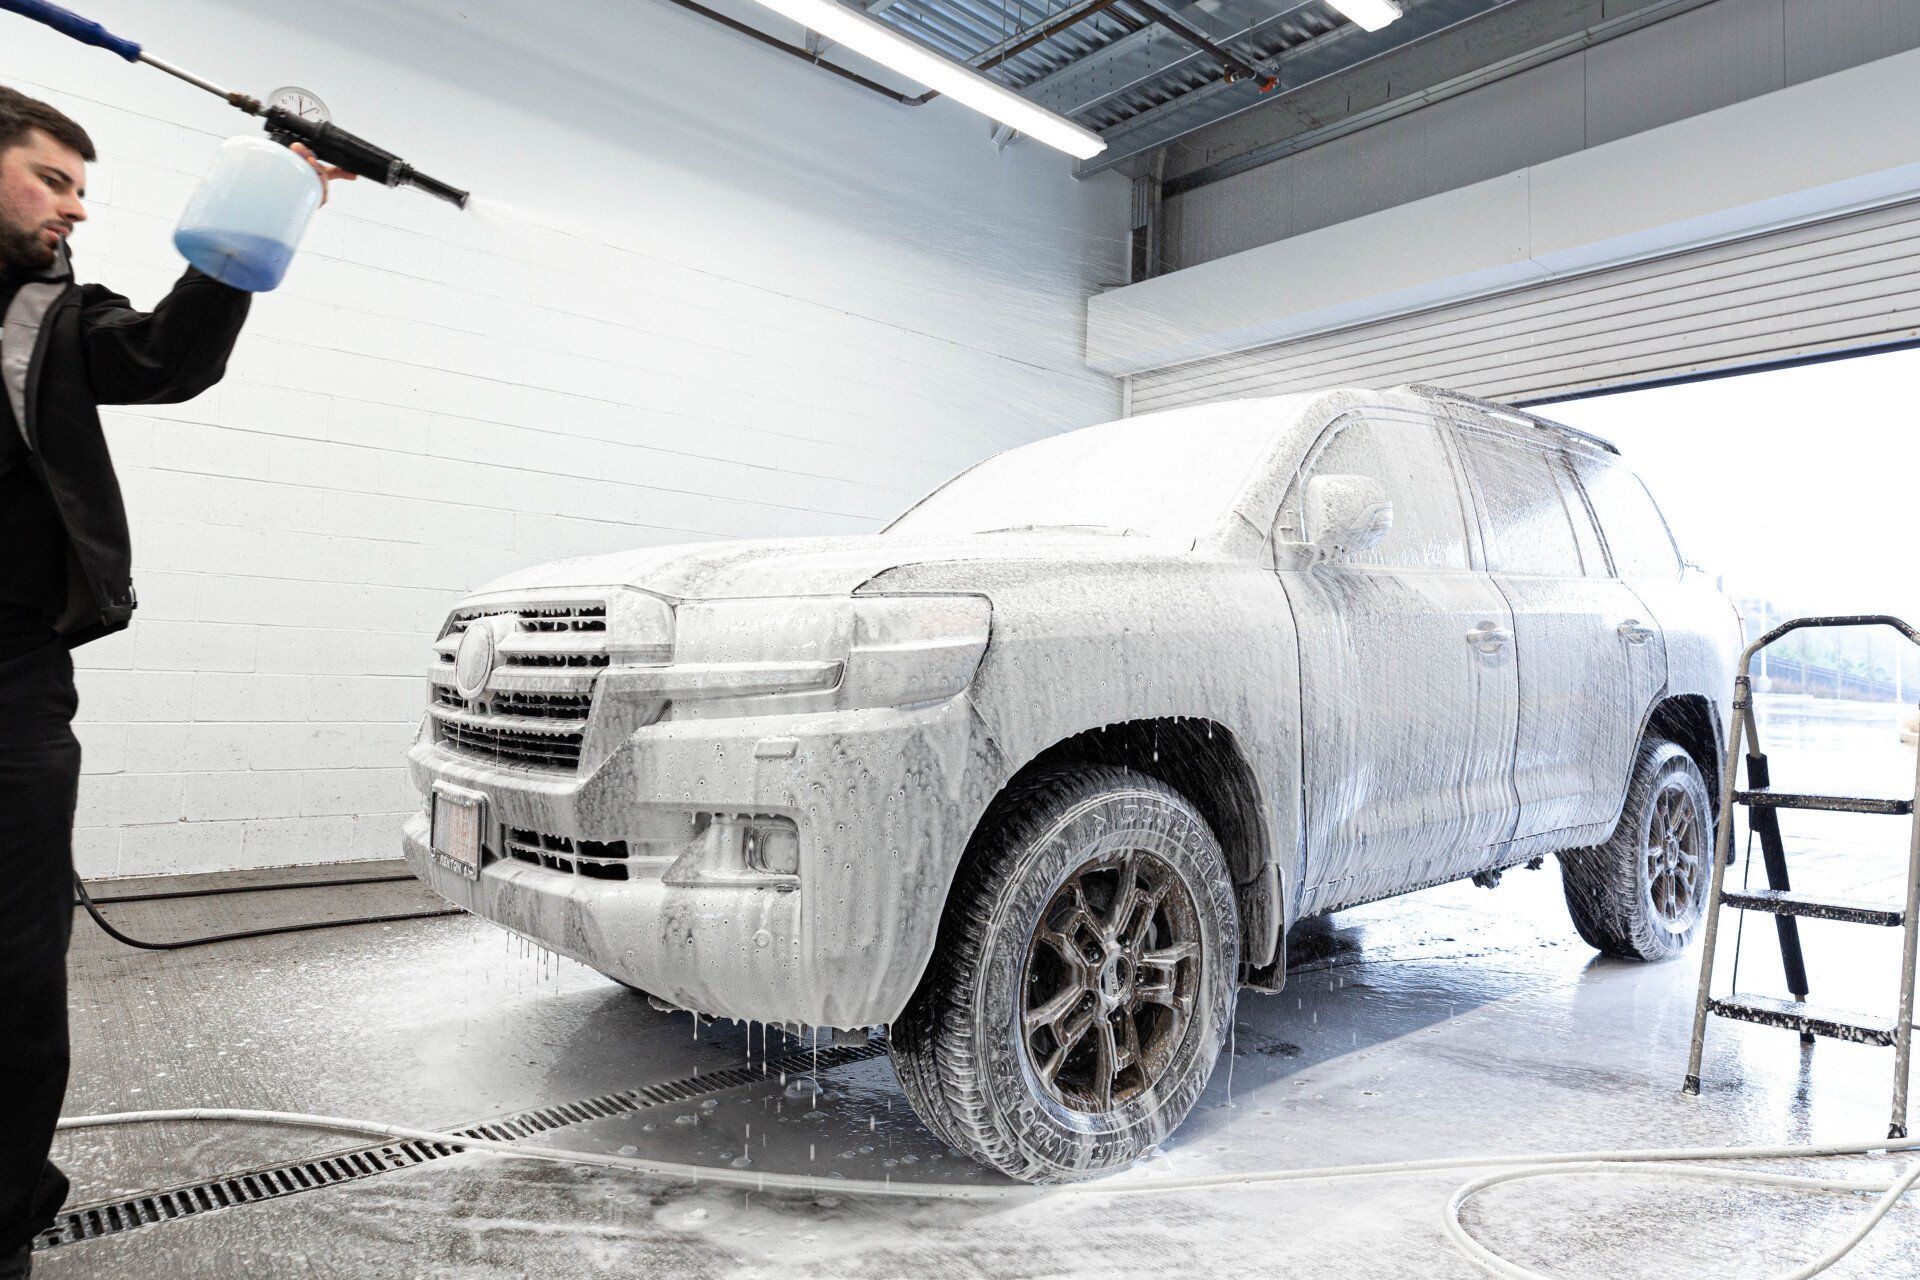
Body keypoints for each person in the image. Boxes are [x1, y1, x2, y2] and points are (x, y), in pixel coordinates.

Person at [0, 85, 349, 1278]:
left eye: (81, 187)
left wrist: (266, 211)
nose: (75, 207)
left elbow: (168, 358)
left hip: (10, 676)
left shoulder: (53, 315)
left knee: (11, 961)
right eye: (53, 179)